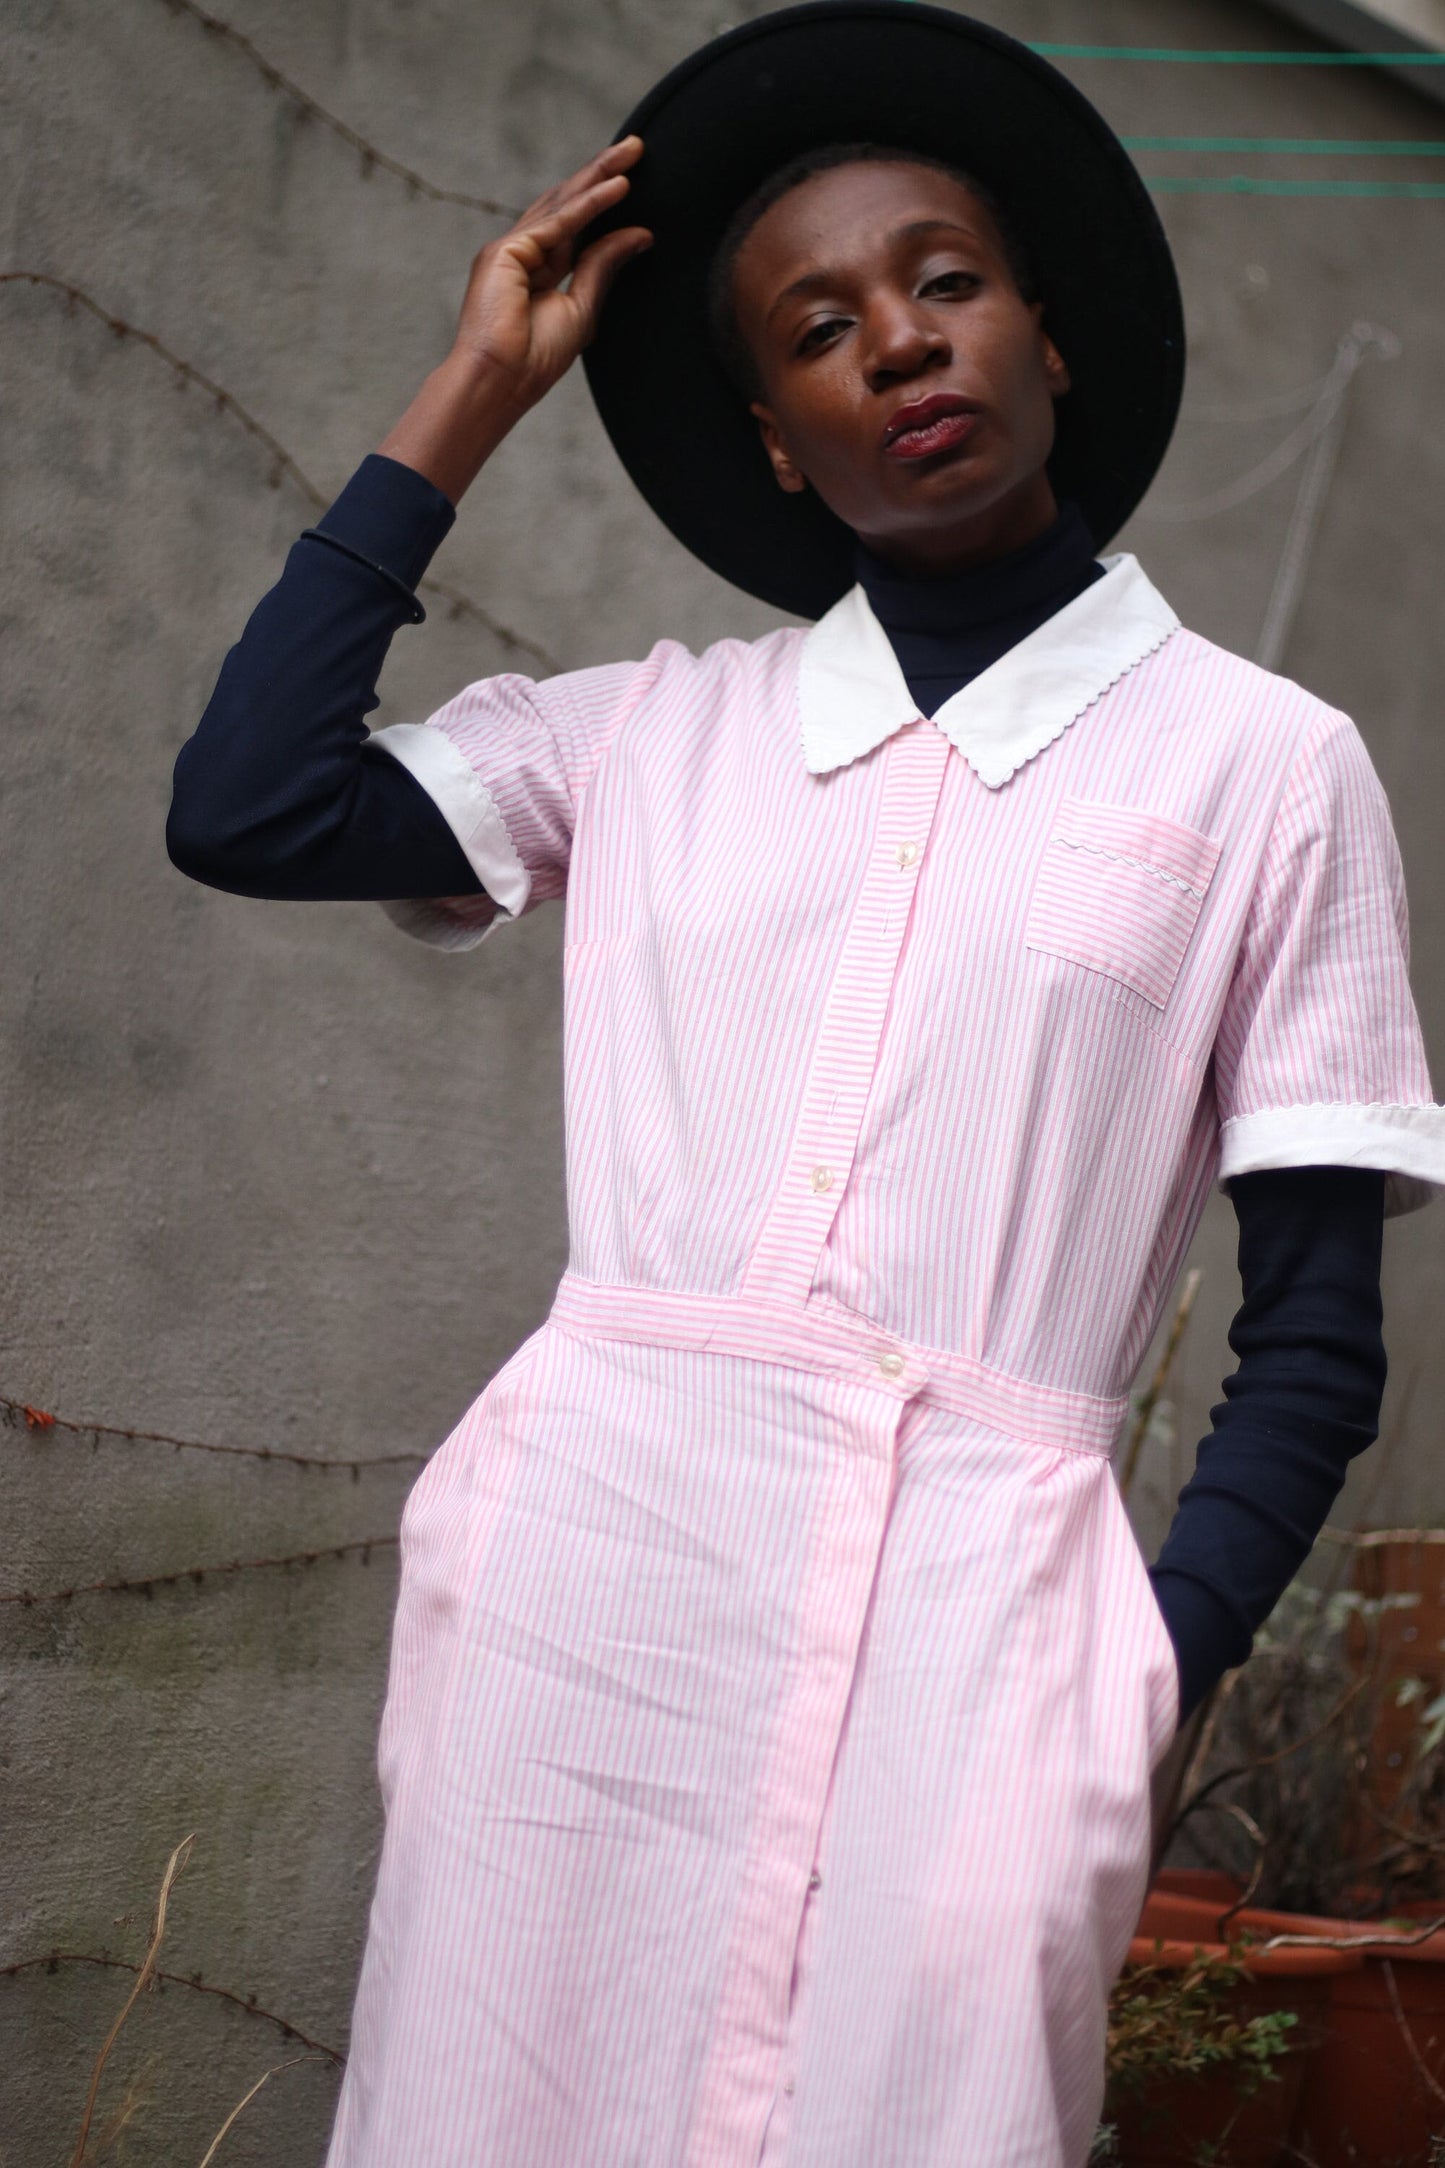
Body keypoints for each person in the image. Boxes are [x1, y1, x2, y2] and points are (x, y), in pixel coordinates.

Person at [166, 7, 1445, 2162]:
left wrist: (1133, 1680)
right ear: (775, 435)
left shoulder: (1263, 768)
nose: (902, 346)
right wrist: (479, 382)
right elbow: (248, 804)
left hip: (994, 1642)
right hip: (595, 1597)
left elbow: (1315, 1334)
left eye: (946, 279)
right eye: (822, 327)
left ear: (1046, 328)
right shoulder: (645, 732)